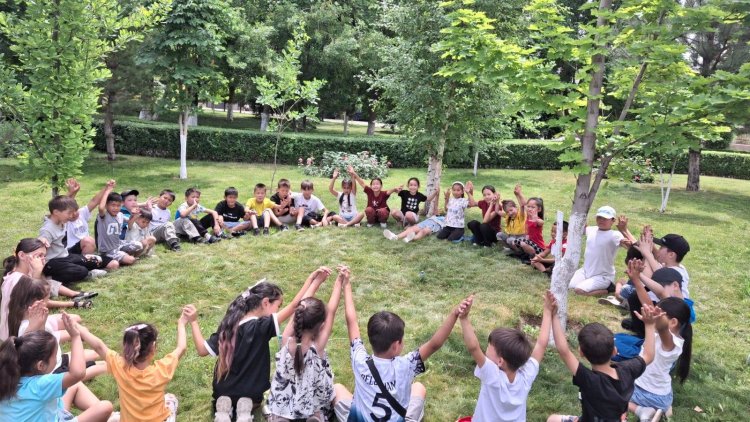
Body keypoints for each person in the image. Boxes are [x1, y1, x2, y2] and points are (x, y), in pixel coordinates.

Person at [185, 268, 332, 421]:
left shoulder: (228, 326)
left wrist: (194, 321)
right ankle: (244, 410)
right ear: (266, 302)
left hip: (222, 391)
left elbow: (201, 350)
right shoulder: (262, 327)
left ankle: (224, 408)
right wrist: (313, 281)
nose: (278, 310)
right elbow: (296, 305)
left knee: (225, 398)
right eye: (278, 306)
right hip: (250, 393)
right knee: (249, 400)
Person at [332, 277, 466, 421]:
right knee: (419, 388)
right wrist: (454, 314)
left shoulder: (359, 361)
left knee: (337, 388)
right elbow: (434, 344)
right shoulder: (406, 365)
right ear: (396, 345)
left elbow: (351, 322)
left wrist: (347, 285)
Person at [546, 300, 661, 422]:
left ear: (581, 353)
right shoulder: (627, 370)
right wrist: (650, 325)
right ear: (615, 351)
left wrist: (554, 315)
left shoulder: (589, 380)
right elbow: (649, 355)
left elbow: (563, 350)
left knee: (552, 419)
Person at [267, 266, 349, 422]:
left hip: (284, 403)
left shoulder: (286, 340)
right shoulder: (318, 347)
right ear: (321, 325)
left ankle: (280, 417)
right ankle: (315, 416)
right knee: (329, 392)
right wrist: (339, 282)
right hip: (310, 402)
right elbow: (331, 311)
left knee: (282, 397)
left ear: (298, 317)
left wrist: (316, 281)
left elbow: (301, 306)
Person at [456, 291, 553, 421]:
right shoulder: (526, 377)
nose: (485, 350)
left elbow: (474, 348)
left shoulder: (492, 376)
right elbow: (541, 344)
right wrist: (548, 311)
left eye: (488, 347)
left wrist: (464, 318)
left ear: (500, 361)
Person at [0, 313, 113, 421]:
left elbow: (27, 349)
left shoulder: (6, 378)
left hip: (47, 414)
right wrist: (75, 336)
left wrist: (34, 327)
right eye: (55, 356)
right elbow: (77, 373)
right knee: (105, 407)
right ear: (41, 365)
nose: (57, 358)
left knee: (73, 385)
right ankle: (112, 418)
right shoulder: (41, 385)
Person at [77, 315, 187, 422]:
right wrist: (181, 323)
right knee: (171, 398)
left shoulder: (119, 366)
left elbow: (98, 346)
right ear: (153, 347)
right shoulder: (162, 369)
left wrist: (76, 326)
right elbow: (181, 348)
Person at [10, 277, 106, 381]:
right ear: (38, 303)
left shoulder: (36, 319)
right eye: (47, 299)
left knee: (94, 354)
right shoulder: (28, 328)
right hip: (53, 371)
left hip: (57, 360)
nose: (48, 302)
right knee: (102, 366)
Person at [2, 239, 96, 339]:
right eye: (39, 256)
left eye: (44, 256)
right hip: (23, 333)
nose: (43, 260)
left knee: (76, 318)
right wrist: (37, 273)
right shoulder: (17, 280)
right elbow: (41, 304)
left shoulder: (21, 274)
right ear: (21, 255)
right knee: (81, 331)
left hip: (31, 322)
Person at [629, 297, 693, 421]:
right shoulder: (658, 334)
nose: (653, 317)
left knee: (610, 394)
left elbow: (663, 328)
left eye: (658, 315)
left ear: (673, 322)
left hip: (647, 394)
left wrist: (650, 324)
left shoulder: (672, 344)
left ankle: (642, 410)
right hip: (661, 396)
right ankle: (664, 409)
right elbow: (647, 304)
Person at [39, 194, 113, 285]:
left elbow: (63, 205)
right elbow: (41, 246)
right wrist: (42, 240)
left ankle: (83, 269)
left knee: (98, 260)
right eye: (69, 213)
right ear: (56, 212)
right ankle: (50, 278)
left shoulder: (61, 221)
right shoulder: (47, 229)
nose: (71, 216)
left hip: (66, 256)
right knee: (81, 271)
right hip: (52, 263)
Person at [568, 206, 630, 296]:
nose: (601, 220)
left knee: (579, 290)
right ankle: (588, 281)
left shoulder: (615, 235)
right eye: (599, 217)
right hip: (585, 271)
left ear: (613, 220)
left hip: (602, 275)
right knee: (569, 286)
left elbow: (627, 245)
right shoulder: (592, 229)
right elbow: (581, 228)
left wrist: (624, 235)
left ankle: (608, 289)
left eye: (605, 218)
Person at [97, 185, 142, 266]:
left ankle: (122, 255)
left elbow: (130, 222)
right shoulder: (104, 216)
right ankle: (116, 258)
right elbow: (101, 208)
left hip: (119, 244)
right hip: (108, 250)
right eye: (113, 205)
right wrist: (107, 191)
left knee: (139, 245)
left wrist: (133, 215)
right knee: (131, 260)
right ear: (106, 205)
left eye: (118, 206)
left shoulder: (120, 215)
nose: (115, 208)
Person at [65, 178, 110, 256]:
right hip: (71, 251)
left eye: (76, 210)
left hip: (85, 246)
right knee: (88, 241)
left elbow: (94, 201)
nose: (74, 214)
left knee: (113, 264)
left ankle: (86, 259)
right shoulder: (64, 221)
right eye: (70, 213)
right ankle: (84, 261)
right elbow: (60, 205)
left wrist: (106, 187)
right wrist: (70, 193)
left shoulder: (81, 213)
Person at [498, 185, 528, 253]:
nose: (510, 213)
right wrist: (497, 201)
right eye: (507, 212)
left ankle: (518, 252)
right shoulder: (508, 216)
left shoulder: (520, 215)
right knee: (499, 235)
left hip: (521, 237)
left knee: (510, 240)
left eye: (511, 210)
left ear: (516, 207)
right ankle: (511, 249)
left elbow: (523, 205)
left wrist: (518, 194)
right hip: (512, 236)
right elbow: (497, 211)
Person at [518, 196, 546, 262]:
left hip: (539, 247)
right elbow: (524, 204)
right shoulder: (528, 217)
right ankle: (524, 254)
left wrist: (536, 219)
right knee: (515, 242)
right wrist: (518, 194)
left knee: (523, 243)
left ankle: (533, 257)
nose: (530, 209)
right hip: (530, 243)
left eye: (533, 207)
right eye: (529, 207)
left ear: (539, 209)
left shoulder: (537, 220)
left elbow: (542, 222)